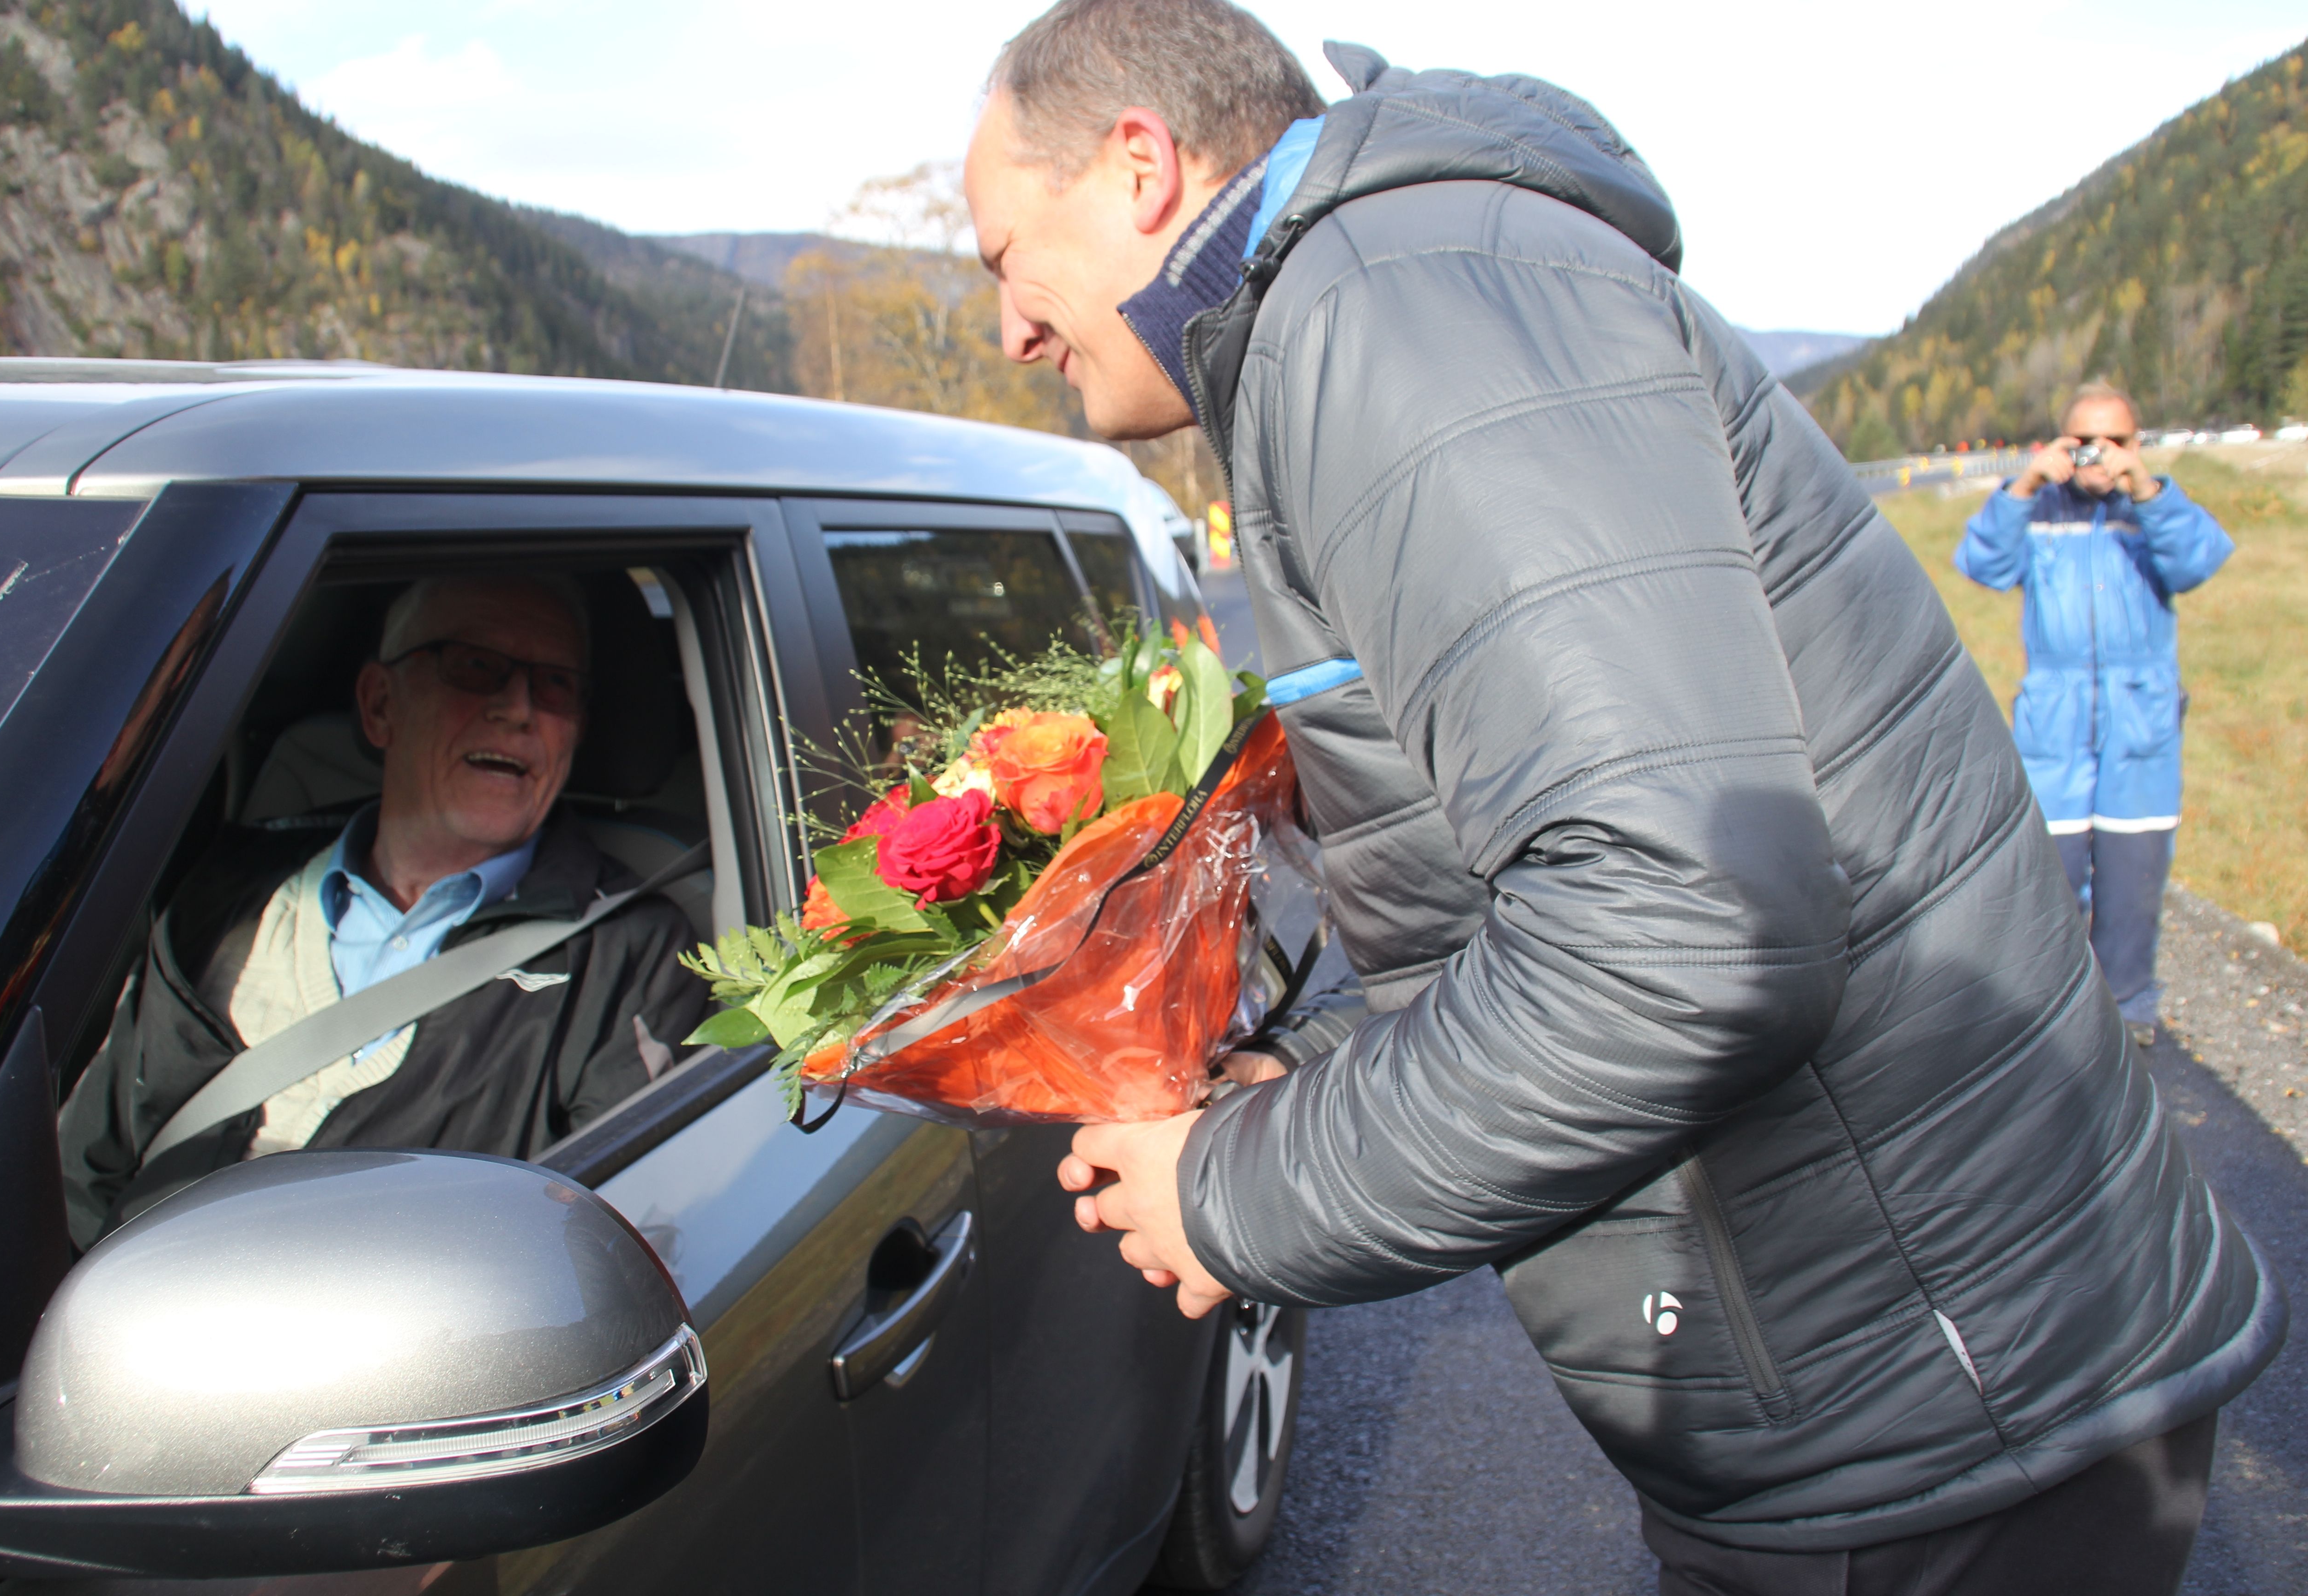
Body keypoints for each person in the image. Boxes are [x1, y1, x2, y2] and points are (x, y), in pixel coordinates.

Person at [960, 3, 2282, 1590]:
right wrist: (1304, 1076)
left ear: (1141, 165)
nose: (1011, 331)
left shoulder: (1387, 312)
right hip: (1902, 1378)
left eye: (1004, 257)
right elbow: (1571, 882)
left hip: (1930, 1404)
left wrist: (1239, 1193)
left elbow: (1679, 933)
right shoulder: (1389, 293)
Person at [61, 573, 706, 1245]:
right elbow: (82, 1173)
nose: (520, 709)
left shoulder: (631, 955)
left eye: (556, 685)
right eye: (475, 666)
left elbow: (608, 1249)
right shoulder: (228, 889)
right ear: (379, 704)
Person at [1956, 386, 2232, 1050]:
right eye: (2084, 441)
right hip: (2055, 726)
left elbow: (2197, 562)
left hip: (2141, 728)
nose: (2098, 454)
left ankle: (2129, 1013)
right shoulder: (2040, 511)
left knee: (2134, 884)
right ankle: (2051, 1016)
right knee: (2048, 881)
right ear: (2061, 443)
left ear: (2137, 445)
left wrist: (2147, 489)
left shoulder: (2154, 510)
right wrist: (2025, 485)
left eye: (2115, 441)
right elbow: (1983, 565)